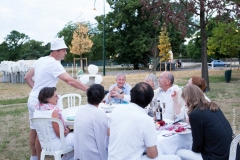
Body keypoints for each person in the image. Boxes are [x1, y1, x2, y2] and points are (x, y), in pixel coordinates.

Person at [24, 38, 88, 160]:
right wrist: (88, 89)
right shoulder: (54, 63)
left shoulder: (41, 60)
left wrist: (36, 91)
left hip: (33, 99)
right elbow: (70, 80)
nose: (66, 53)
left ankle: (34, 157)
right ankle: (46, 153)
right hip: (44, 101)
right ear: (56, 51)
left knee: (35, 129)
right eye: (64, 50)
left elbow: (27, 77)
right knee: (41, 131)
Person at [108, 82, 181, 160]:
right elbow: (152, 154)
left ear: (131, 94)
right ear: (149, 101)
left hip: (112, 157)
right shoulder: (146, 120)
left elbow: (109, 132)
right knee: (176, 158)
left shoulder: (117, 109)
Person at [176, 84, 233, 160]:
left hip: (217, 156)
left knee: (179, 152)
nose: (185, 104)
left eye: (184, 100)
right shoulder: (213, 106)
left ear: (188, 99)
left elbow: (197, 146)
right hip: (232, 151)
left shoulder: (195, 114)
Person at [34, 87, 74, 160]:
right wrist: (68, 131)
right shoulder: (52, 112)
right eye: (56, 96)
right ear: (48, 99)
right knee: (79, 136)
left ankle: (67, 157)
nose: (58, 98)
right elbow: (59, 134)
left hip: (44, 144)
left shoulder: (36, 110)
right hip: (57, 144)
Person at [74, 84, 108, 160]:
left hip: (79, 154)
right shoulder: (99, 114)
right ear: (102, 98)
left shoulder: (80, 110)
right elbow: (102, 140)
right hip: (92, 155)